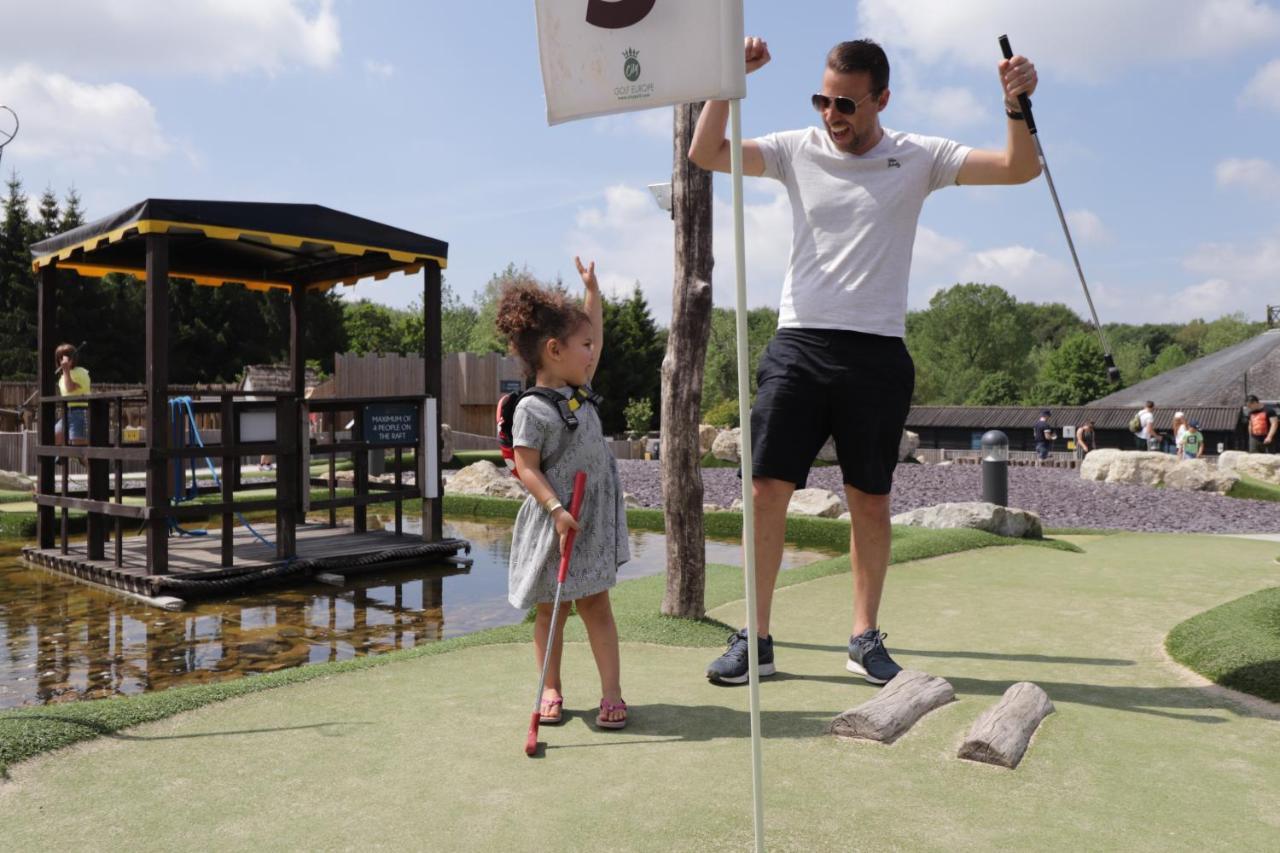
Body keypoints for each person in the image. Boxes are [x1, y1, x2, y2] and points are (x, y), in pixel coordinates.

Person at [689, 37, 1041, 685]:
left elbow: (1020, 169)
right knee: (765, 489)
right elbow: (704, 152)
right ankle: (758, 638)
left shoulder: (920, 156)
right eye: (823, 99)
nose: (832, 114)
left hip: (877, 353)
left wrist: (1015, 103)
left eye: (846, 102)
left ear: (881, 98)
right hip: (799, 344)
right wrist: (726, 77)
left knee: (870, 501)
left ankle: (863, 637)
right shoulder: (799, 148)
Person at [497, 256, 630, 729]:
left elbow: (593, 327)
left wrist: (592, 291)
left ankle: (611, 693)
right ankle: (550, 687)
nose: (593, 353)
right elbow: (527, 469)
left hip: (589, 518)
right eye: (584, 347)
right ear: (554, 350)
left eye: (592, 345)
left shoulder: (580, 386)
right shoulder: (531, 409)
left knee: (596, 603)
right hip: (555, 518)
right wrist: (554, 508)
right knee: (551, 609)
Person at [53, 342, 90, 447]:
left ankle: (89, 463)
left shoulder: (81, 372)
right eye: (60, 358)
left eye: (66, 357)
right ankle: (61, 458)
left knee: (79, 449)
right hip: (67, 412)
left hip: (79, 412)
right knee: (52, 438)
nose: (62, 361)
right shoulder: (62, 377)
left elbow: (70, 388)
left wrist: (66, 371)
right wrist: (65, 372)